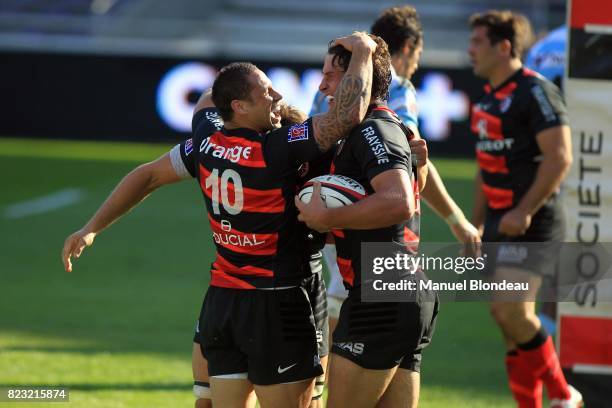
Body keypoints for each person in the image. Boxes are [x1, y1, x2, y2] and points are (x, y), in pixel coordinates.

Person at [62, 31, 377, 408]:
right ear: (240, 107)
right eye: (267, 93)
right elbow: (346, 115)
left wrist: (90, 228)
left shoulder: (204, 141)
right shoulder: (277, 150)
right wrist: (363, 51)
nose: (278, 97)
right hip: (279, 304)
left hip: (223, 303)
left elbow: (149, 172)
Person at [311, 4, 480, 351]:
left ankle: (324, 384)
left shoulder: (328, 86)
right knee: (372, 305)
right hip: (367, 212)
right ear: (407, 49)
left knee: (340, 292)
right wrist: (456, 219)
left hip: (326, 198)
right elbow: (409, 159)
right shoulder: (398, 89)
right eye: (417, 54)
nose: (416, 64)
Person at [296, 38, 438, 408]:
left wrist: (328, 217)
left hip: (383, 297)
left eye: (331, 75)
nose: (322, 85)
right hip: (397, 293)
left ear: (358, 78)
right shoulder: (369, 131)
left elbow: (400, 202)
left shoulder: (373, 129)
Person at [467, 11, 581, 408]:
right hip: (500, 221)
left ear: (504, 46)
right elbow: (486, 169)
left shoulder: (537, 92)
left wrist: (526, 210)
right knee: (509, 325)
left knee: (511, 311)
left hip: (533, 221)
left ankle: (565, 396)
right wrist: (474, 225)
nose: (470, 50)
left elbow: (560, 157)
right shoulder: (484, 101)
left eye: (478, 41)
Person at [191, 104, 329, 408]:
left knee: (312, 398)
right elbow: (150, 174)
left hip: (296, 288)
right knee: (206, 399)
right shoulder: (245, 151)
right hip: (242, 292)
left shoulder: (321, 160)